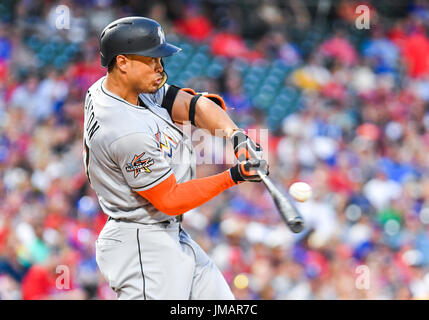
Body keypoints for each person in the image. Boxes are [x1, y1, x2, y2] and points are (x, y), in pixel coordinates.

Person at [83, 16, 268, 300]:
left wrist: (236, 136)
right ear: (122, 62)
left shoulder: (121, 87)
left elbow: (191, 106)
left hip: (164, 234)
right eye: (151, 59)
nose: (160, 66)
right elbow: (170, 200)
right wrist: (235, 175)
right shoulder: (122, 130)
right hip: (142, 246)